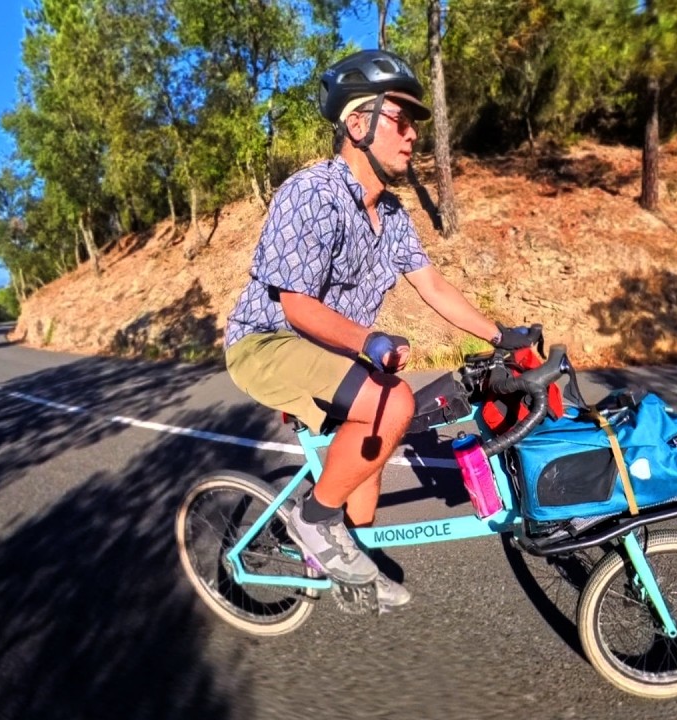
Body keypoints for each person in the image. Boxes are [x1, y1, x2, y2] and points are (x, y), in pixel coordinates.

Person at [223, 49, 535, 611]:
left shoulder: (391, 215)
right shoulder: (311, 193)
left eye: (415, 123)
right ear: (357, 123)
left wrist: (498, 336)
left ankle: (349, 560)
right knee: (389, 403)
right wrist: (368, 341)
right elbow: (294, 306)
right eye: (401, 120)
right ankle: (315, 523)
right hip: (266, 342)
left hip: (327, 350)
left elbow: (432, 285)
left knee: (375, 446)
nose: (413, 135)